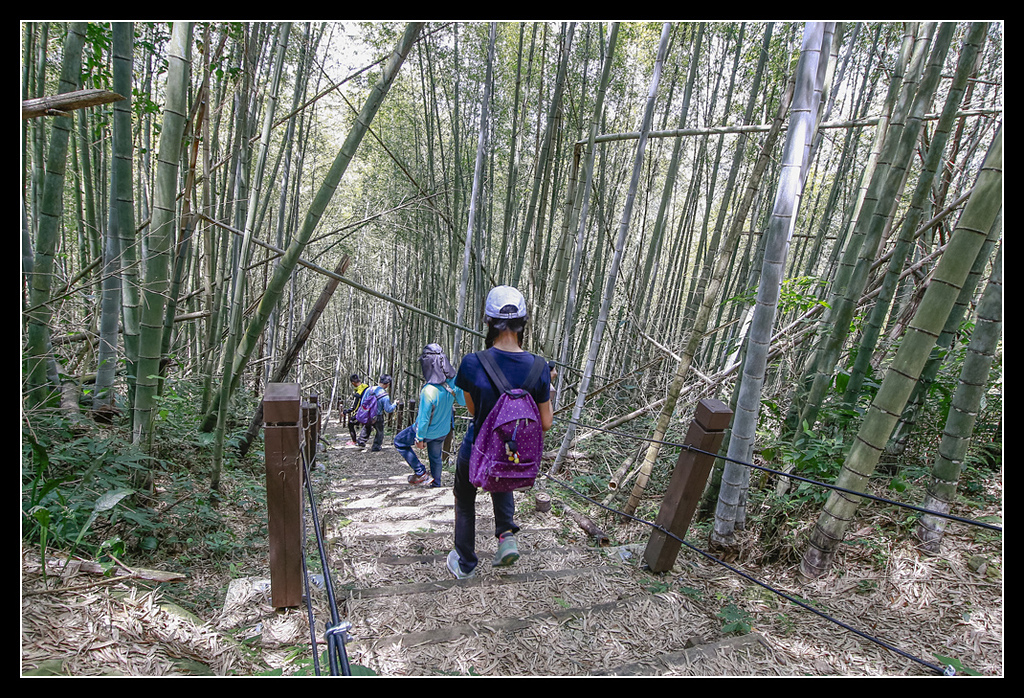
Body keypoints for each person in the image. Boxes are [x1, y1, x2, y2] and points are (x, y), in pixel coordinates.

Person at [447, 286, 553, 579]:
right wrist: (545, 384)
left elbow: (473, 410)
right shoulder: (540, 367)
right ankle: (506, 536)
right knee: (505, 466)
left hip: (477, 449)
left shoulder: (471, 363)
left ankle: (466, 564)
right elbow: (545, 422)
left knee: (465, 502)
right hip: (513, 455)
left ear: (489, 322)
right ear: (523, 323)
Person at [394, 344, 465, 488]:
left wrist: (419, 438)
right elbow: (463, 401)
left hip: (426, 431)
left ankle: (420, 473)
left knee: (399, 442)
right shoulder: (453, 381)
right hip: (443, 430)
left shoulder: (428, 390)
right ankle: (436, 484)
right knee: (435, 457)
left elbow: (424, 419)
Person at [356, 374, 397, 452]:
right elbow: (388, 409)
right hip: (377, 416)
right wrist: (395, 404)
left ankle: (361, 441)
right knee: (380, 431)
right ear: (388, 384)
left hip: (367, 414)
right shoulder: (385, 396)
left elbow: (363, 402)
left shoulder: (369, 389)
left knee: (367, 426)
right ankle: (376, 447)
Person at [343, 374, 369, 446]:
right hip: (370, 411)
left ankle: (355, 441)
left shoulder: (359, 392)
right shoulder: (367, 387)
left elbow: (355, 406)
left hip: (361, 412)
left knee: (350, 424)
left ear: (353, 383)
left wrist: (347, 411)